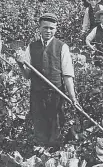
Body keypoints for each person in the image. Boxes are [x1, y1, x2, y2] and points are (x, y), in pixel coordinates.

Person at [16, 13, 80, 147]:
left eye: (51, 28)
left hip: (56, 92)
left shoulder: (62, 47)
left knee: (56, 124)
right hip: (37, 93)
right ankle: (40, 156)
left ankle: (55, 154)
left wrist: (72, 96)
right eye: (45, 28)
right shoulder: (32, 47)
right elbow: (27, 75)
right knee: (39, 125)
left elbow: (67, 74)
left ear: (56, 29)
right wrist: (20, 64)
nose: (48, 31)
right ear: (39, 28)